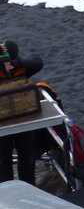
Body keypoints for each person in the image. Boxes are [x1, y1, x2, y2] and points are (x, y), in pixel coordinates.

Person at [0, 40, 45, 185]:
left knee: (27, 156)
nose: (9, 66)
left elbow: (38, 63)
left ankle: (29, 186)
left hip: (23, 117)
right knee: (3, 159)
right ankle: (7, 189)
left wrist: (18, 62)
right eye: (6, 62)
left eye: (11, 61)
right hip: (2, 122)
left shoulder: (22, 67)